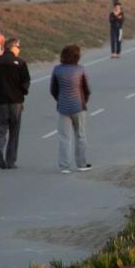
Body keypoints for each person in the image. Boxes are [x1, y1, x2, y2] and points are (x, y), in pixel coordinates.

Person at [0, 38, 30, 169]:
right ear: (13, 47)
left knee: (1, 129)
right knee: (14, 131)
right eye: (18, 47)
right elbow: (25, 82)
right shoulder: (20, 63)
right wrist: (21, 93)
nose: (19, 49)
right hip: (16, 102)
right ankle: (11, 161)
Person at [50, 45, 92, 174]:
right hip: (79, 106)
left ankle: (65, 166)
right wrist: (84, 102)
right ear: (76, 56)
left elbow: (53, 89)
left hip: (63, 107)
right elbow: (87, 89)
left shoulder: (57, 70)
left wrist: (60, 100)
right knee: (80, 135)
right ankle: (82, 164)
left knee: (64, 137)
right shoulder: (80, 70)